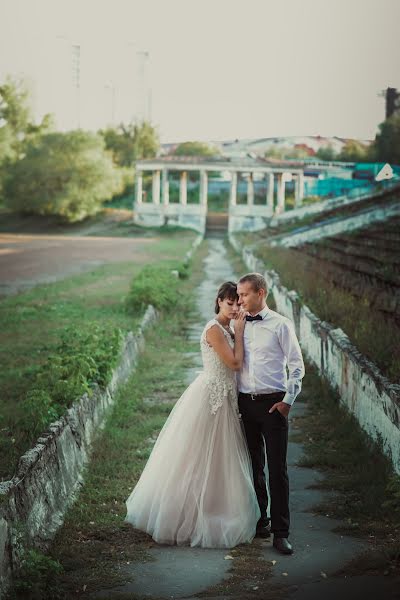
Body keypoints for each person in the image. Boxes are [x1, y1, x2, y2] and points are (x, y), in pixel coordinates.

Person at [125, 281, 260, 548]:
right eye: (229, 302)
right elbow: (234, 363)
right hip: (211, 398)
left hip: (228, 397)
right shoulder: (214, 329)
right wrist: (241, 333)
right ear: (219, 301)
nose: (234, 307)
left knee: (222, 459)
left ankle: (213, 507)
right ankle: (183, 515)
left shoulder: (228, 327)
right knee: (197, 457)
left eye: (237, 303)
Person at [236, 273, 305, 555]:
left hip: (273, 404)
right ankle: (260, 520)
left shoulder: (281, 325)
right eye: (238, 295)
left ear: (261, 293)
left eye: (244, 294)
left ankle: (281, 532)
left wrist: (288, 401)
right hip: (244, 404)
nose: (239, 299)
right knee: (252, 466)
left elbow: (297, 366)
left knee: (277, 470)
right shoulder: (237, 323)